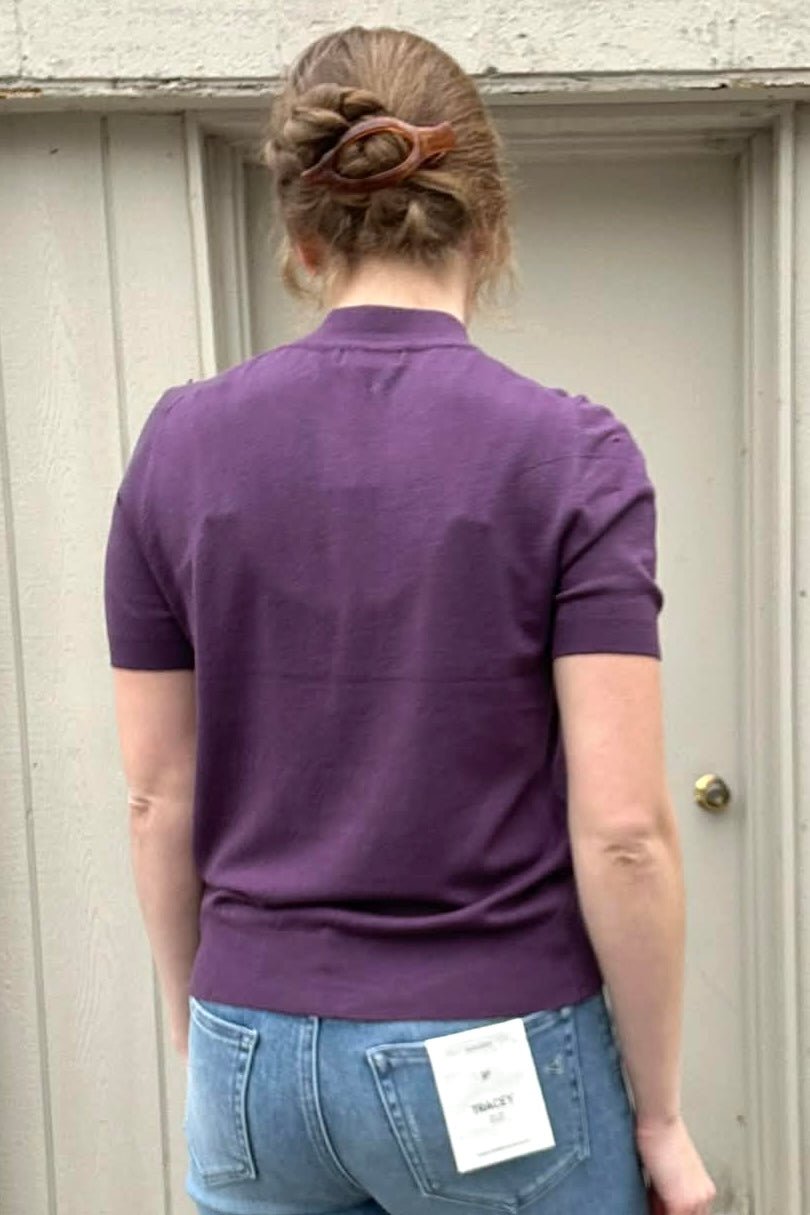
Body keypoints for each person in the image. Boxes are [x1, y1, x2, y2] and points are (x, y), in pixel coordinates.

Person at [103, 24, 716, 1215]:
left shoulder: (179, 443)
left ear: (301, 237)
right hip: (490, 1038)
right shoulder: (570, 455)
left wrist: (208, 1030)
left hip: (248, 1039)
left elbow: (155, 797)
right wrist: (660, 1117)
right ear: (489, 225)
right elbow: (625, 834)